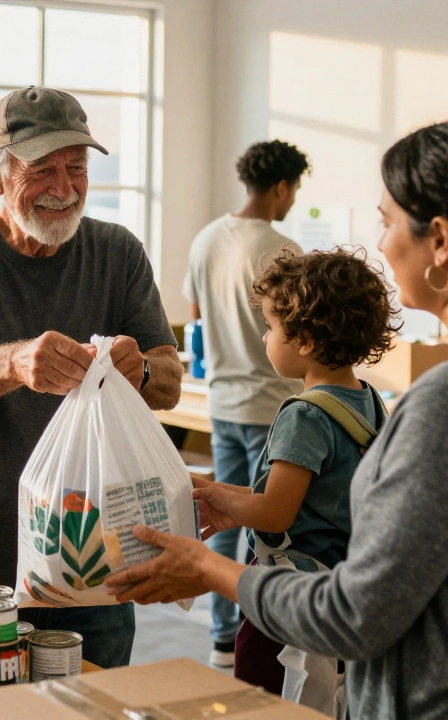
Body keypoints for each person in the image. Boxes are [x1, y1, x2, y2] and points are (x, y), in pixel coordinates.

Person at [107, 117, 448, 718]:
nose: (382, 243)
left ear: (439, 241)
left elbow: (353, 615)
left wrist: (210, 568)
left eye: (387, 222)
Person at [0, 86, 184, 668]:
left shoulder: (118, 253)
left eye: (77, 168)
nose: (64, 188)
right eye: (42, 171)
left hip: (97, 560)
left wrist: (144, 368)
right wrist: (12, 362)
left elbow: (169, 383)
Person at [192, 249, 397, 703]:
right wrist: (215, 489)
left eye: (271, 327)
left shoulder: (305, 415)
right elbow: (304, 496)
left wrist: (225, 504)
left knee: (260, 703)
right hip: (333, 585)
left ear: (303, 340)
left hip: (284, 597)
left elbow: (276, 511)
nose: (266, 337)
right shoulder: (367, 400)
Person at [181, 139, 309, 668]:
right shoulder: (281, 247)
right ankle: (257, 643)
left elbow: (194, 318)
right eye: (295, 190)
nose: (294, 201)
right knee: (269, 533)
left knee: (217, 518)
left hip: (221, 402)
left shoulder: (206, 237)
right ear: (281, 186)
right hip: (271, 408)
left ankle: (218, 640)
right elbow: (301, 336)